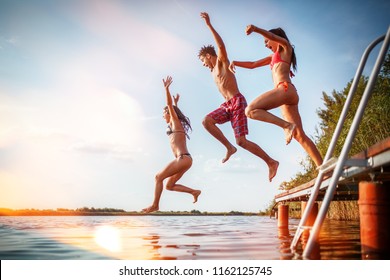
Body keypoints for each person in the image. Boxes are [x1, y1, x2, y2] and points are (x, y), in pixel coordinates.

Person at [199, 12, 279, 182]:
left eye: (202, 60)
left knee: (241, 141)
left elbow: (220, 47)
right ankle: (229, 148)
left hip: (237, 101)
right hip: (226, 105)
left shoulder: (221, 63)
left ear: (208, 56)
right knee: (206, 121)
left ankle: (271, 162)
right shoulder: (212, 72)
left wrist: (209, 25)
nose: (203, 64)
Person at [229, 25, 323, 167]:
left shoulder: (286, 48)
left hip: (284, 89)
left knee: (250, 111)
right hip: (286, 96)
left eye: (266, 42)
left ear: (274, 38)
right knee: (299, 135)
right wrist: (236, 62)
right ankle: (322, 166)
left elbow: (273, 37)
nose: (266, 45)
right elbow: (253, 64)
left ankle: (286, 126)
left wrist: (256, 30)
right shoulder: (272, 57)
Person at [142, 75, 201, 214]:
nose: (163, 116)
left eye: (164, 113)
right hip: (186, 159)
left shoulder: (175, 122)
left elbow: (169, 107)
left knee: (158, 177)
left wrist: (167, 90)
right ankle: (194, 192)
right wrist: (176, 104)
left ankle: (155, 205)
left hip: (181, 159)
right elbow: (173, 111)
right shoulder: (174, 124)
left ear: (169, 113)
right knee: (169, 185)